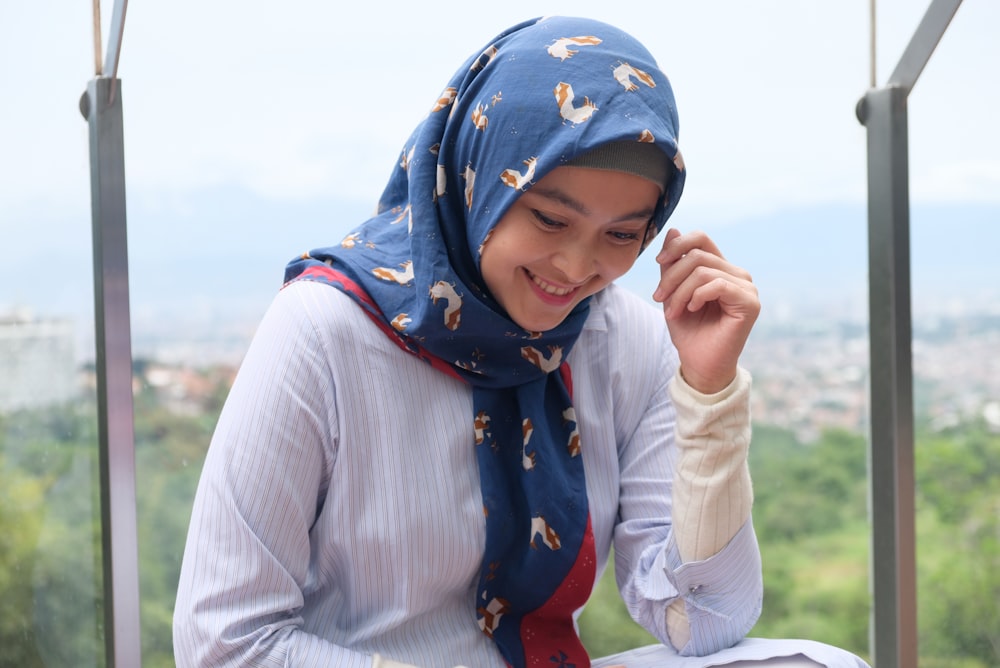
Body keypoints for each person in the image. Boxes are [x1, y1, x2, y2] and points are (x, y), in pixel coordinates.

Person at [173, 16, 869, 668]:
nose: (575, 268)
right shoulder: (323, 330)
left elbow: (704, 621)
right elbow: (225, 643)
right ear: (479, 177)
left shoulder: (619, 338)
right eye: (548, 218)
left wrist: (711, 396)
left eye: (621, 235)